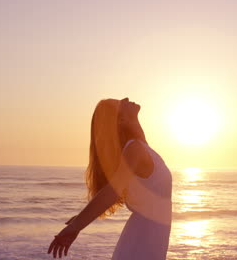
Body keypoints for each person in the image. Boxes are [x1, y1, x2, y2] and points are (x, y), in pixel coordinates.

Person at [47, 97, 172, 259]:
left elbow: (138, 134)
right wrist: (75, 227)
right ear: (120, 120)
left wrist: (132, 119)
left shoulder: (138, 146)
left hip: (149, 236)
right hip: (144, 239)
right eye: (121, 104)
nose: (126, 99)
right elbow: (112, 191)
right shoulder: (134, 149)